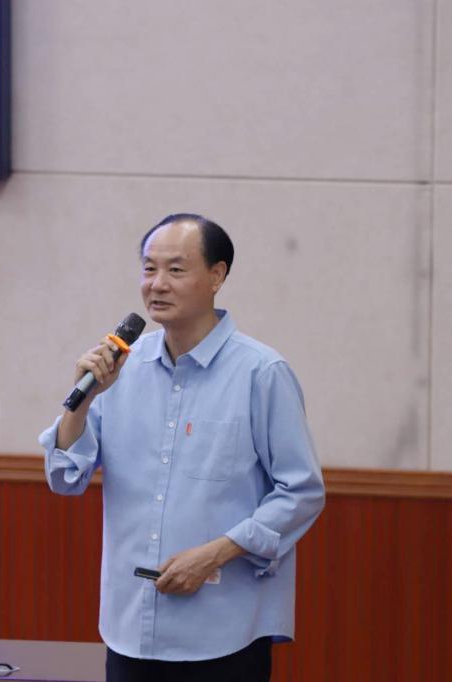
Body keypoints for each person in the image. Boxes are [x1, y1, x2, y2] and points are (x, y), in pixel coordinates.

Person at [39, 213, 325, 682]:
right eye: (149, 269)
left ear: (217, 276)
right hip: (131, 626)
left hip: (224, 630)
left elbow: (302, 491)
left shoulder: (261, 372)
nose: (157, 284)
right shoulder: (120, 370)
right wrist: (82, 400)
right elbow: (64, 477)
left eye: (175, 269)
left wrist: (216, 552)